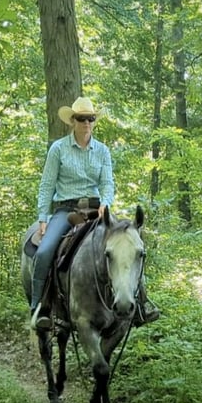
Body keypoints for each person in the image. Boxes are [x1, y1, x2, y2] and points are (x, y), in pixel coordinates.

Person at [30, 96, 159, 331]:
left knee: (130, 246)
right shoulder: (58, 149)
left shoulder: (102, 151)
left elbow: (107, 183)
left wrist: (106, 203)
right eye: (81, 119)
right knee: (46, 250)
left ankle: (140, 304)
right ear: (73, 121)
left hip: (97, 210)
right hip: (66, 210)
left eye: (90, 118)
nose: (86, 122)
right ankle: (41, 307)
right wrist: (42, 218)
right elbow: (47, 185)